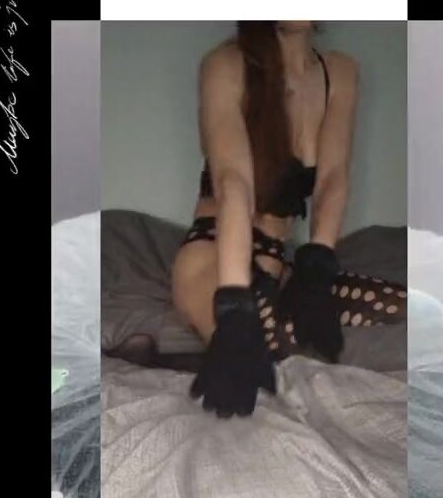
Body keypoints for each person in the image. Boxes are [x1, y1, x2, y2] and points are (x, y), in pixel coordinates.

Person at [107, 21, 407, 417]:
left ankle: (176, 359)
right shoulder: (227, 65)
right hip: (215, 260)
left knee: (402, 308)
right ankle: (163, 360)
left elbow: (334, 178)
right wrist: (233, 303)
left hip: (279, 268)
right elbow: (233, 184)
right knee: (271, 363)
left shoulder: (340, 72)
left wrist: (317, 265)